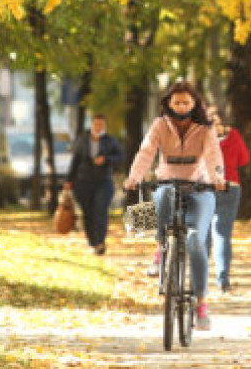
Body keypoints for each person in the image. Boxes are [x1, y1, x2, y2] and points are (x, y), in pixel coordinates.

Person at [124, 81, 226, 331]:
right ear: (169, 103)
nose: (182, 106)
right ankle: (160, 250)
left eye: (187, 102)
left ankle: (201, 303)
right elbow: (146, 152)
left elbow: (213, 155)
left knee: (194, 241)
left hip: (199, 187)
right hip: (168, 183)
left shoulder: (205, 129)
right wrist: (135, 176)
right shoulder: (160, 125)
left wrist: (217, 178)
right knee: (162, 195)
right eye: (177, 102)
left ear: (195, 104)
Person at [64, 113, 125, 256]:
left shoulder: (110, 141)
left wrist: (106, 159)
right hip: (83, 182)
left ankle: (100, 242)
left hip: (103, 182)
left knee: (100, 211)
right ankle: (92, 242)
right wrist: (69, 180)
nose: (98, 127)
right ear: (91, 125)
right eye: (96, 124)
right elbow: (75, 161)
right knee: (88, 213)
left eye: (101, 124)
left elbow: (121, 157)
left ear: (104, 126)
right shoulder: (82, 140)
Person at [206, 105, 249, 292]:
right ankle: (223, 279)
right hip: (230, 186)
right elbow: (244, 160)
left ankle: (200, 277)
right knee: (223, 234)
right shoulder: (234, 135)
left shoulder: (202, 137)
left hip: (206, 186)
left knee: (204, 233)